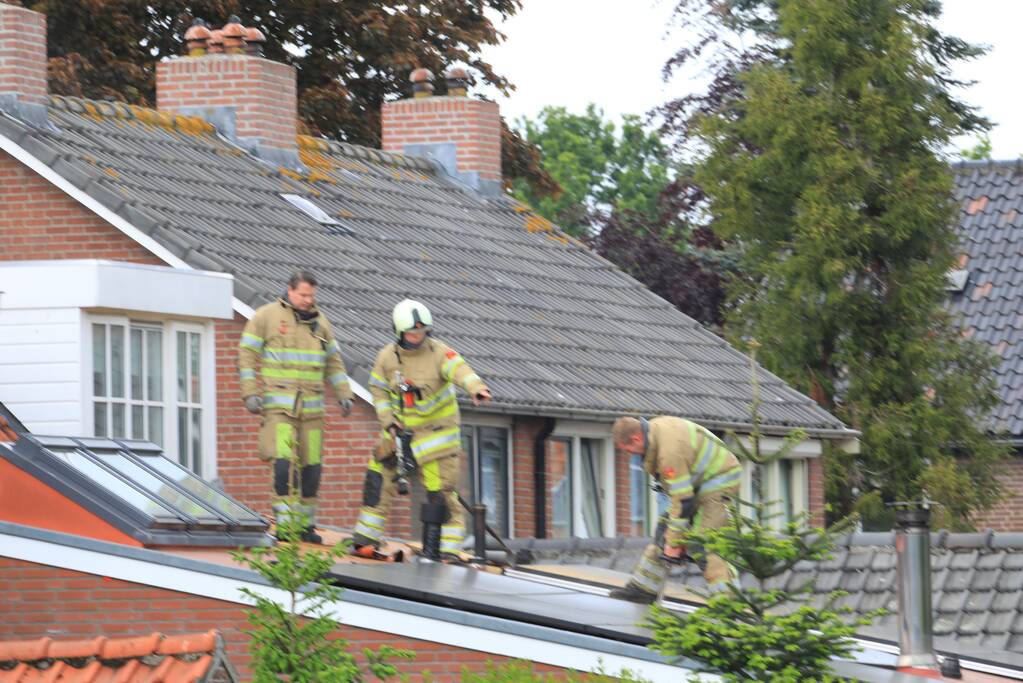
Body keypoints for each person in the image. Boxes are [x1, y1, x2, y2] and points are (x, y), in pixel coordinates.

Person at [352, 298, 491, 560]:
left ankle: (442, 549)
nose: (417, 337)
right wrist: (388, 421)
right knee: (377, 478)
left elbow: (460, 370)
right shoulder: (387, 358)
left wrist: (477, 389)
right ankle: (365, 538)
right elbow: (379, 391)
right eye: (411, 332)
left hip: (436, 436)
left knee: (439, 492)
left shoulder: (439, 353)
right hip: (399, 433)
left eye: (421, 332)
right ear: (399, 332)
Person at [238, 270, 354, 543]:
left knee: (312, 469)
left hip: (312, 413)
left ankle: (306, 526)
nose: (307, 300)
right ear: (289, 291)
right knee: (283, 466)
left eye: (311, 295)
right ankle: (286, 526)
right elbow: (246, 354)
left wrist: (344, 394)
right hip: (280, 410)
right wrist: (250, 393)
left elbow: (334, 362)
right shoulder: (267, 317)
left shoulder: (320, 323)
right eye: (303, 295)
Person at [609, 415, 742, 604]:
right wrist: (672, 538)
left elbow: (684, 501)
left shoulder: (668, 453)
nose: (631, 455)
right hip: (698, 483)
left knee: (703, 545)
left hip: (719, 481)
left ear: (636, 438)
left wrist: (674, 543)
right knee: (663, 531)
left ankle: (728, 605)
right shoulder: (655, 433)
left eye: (629, 449)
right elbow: (682, 497)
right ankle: (643, 589)